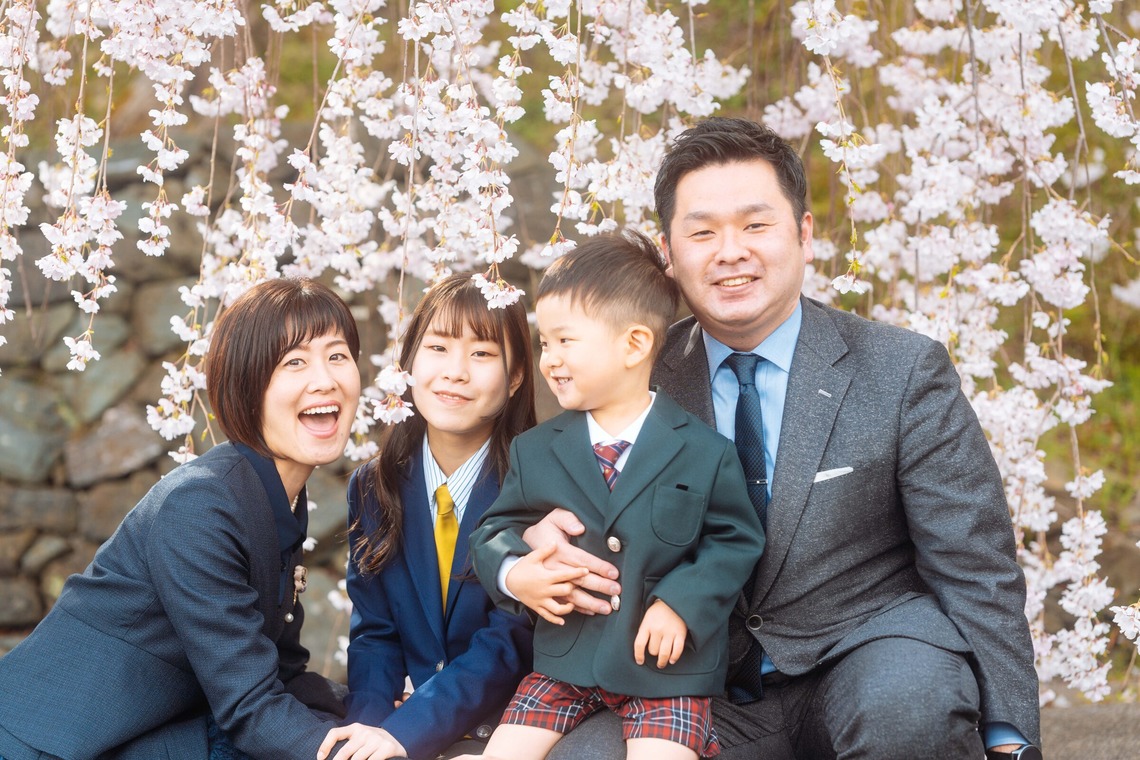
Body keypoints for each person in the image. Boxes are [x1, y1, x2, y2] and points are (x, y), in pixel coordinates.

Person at [485, 118, 1043, 760]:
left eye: (756, 225)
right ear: (669, 252)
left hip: (865, 654)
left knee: (909, 706)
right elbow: (528, 506)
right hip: (682, 681)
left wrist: (1009, 738)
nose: (730, 251)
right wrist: (520, 558)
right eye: (702, 232)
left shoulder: (901, 370)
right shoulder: (628, 371)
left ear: (804, 235)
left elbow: (976, 565)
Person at [0, 277, 375, 760]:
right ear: (246, 385)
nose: (324, 379)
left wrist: (384, 709)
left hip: (155, 731)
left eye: (338, 356)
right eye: (294, 362)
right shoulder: (200, 504)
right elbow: (252, 706)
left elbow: (281, 673)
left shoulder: (278, 497)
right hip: (47, 744)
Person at [459, 231, 765, 760]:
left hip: (667, 669)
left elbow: (734, 540)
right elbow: (493, 531)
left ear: (635, 344)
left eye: (565, 341)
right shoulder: (537, 450)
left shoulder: (704, 450)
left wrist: (680, 604)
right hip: (565, 660)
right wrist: (516, 571)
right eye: (544, 343)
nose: (549, 358)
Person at [316, 273, 536, 760]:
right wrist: (364, 733)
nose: (455, 372)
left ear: (517, 375)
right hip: (408, 729)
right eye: (438, 348)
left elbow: (510, 638)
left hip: (511, 733)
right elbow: (375, 634)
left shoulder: (538, 485)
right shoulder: (373, 487)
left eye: (482, 353)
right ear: (409, 362)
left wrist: (405, 733)